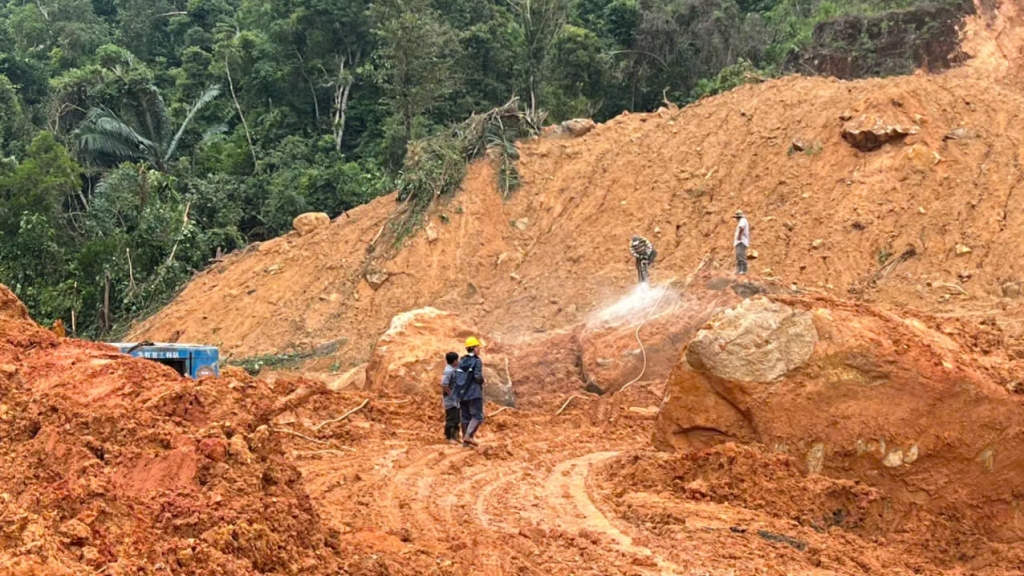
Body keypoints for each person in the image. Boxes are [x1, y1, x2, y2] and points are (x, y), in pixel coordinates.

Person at [456, 337, 485, 447]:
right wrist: (482, 381)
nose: (479, 349)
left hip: (462, 394)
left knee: (465, 417)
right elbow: (477, 376)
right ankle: (468, 436)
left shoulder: (462, 361)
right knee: (478, 416)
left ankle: (465, 442)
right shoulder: (477, 361)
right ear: (474, 348)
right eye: (478, 347)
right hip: (474, 393)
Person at [441, 351, 461, 444]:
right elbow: (444, 384)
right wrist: (451, 394)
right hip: (450, 400)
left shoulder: (453, 369)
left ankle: (456, 436)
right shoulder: (449, 371)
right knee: (451, 418)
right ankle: (449, 437)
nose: (458, 361)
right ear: (454, 361)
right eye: (457, 359)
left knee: (456, 418)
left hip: (455, 399)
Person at [734, 210, 750, 275]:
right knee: (738, 255)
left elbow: (742, 228)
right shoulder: (742, 221)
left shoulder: (742, 220)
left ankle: (743, 270)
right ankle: (739, 270)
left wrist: (739, 236)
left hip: (741, 241)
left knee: (741, 255)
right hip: (739, 242)